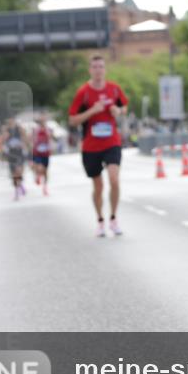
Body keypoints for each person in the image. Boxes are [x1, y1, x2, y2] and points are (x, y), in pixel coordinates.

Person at [68, 54, 128, 237]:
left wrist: (118, 111)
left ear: (105, 69)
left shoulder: (114, 89)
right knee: (98, 186)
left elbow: (124, 107)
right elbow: (72, 120)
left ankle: (113, 218)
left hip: (112, 142)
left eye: (101, 66)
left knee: (114, 179)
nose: (98, 70)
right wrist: (92, 111)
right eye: (94, 67)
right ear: (90, 70)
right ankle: (100, 220)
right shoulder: (83, 93)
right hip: (91, 146)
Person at [2, 118, 27, 201]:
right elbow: (3, 140)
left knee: (19, 171)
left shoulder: (19, 129)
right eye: (10, 122)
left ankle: (20, 185)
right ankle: (17, 190)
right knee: (14, 174)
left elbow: (24, 136)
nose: (11, 123)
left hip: (19, 152)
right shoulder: (7, 130)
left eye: (12, 122)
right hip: (11, 153)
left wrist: (23, 145)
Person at [31, 115, 52, 195]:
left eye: (44, 121)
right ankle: (38, 176)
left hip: (46, 153)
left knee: (45, 171)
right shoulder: (36, 130)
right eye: (41, 121)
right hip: (37, 152)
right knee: (39, 167)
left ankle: (45, 187)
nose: (42, 123)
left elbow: (51, 138)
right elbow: (31, 138)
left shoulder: (48, 129)